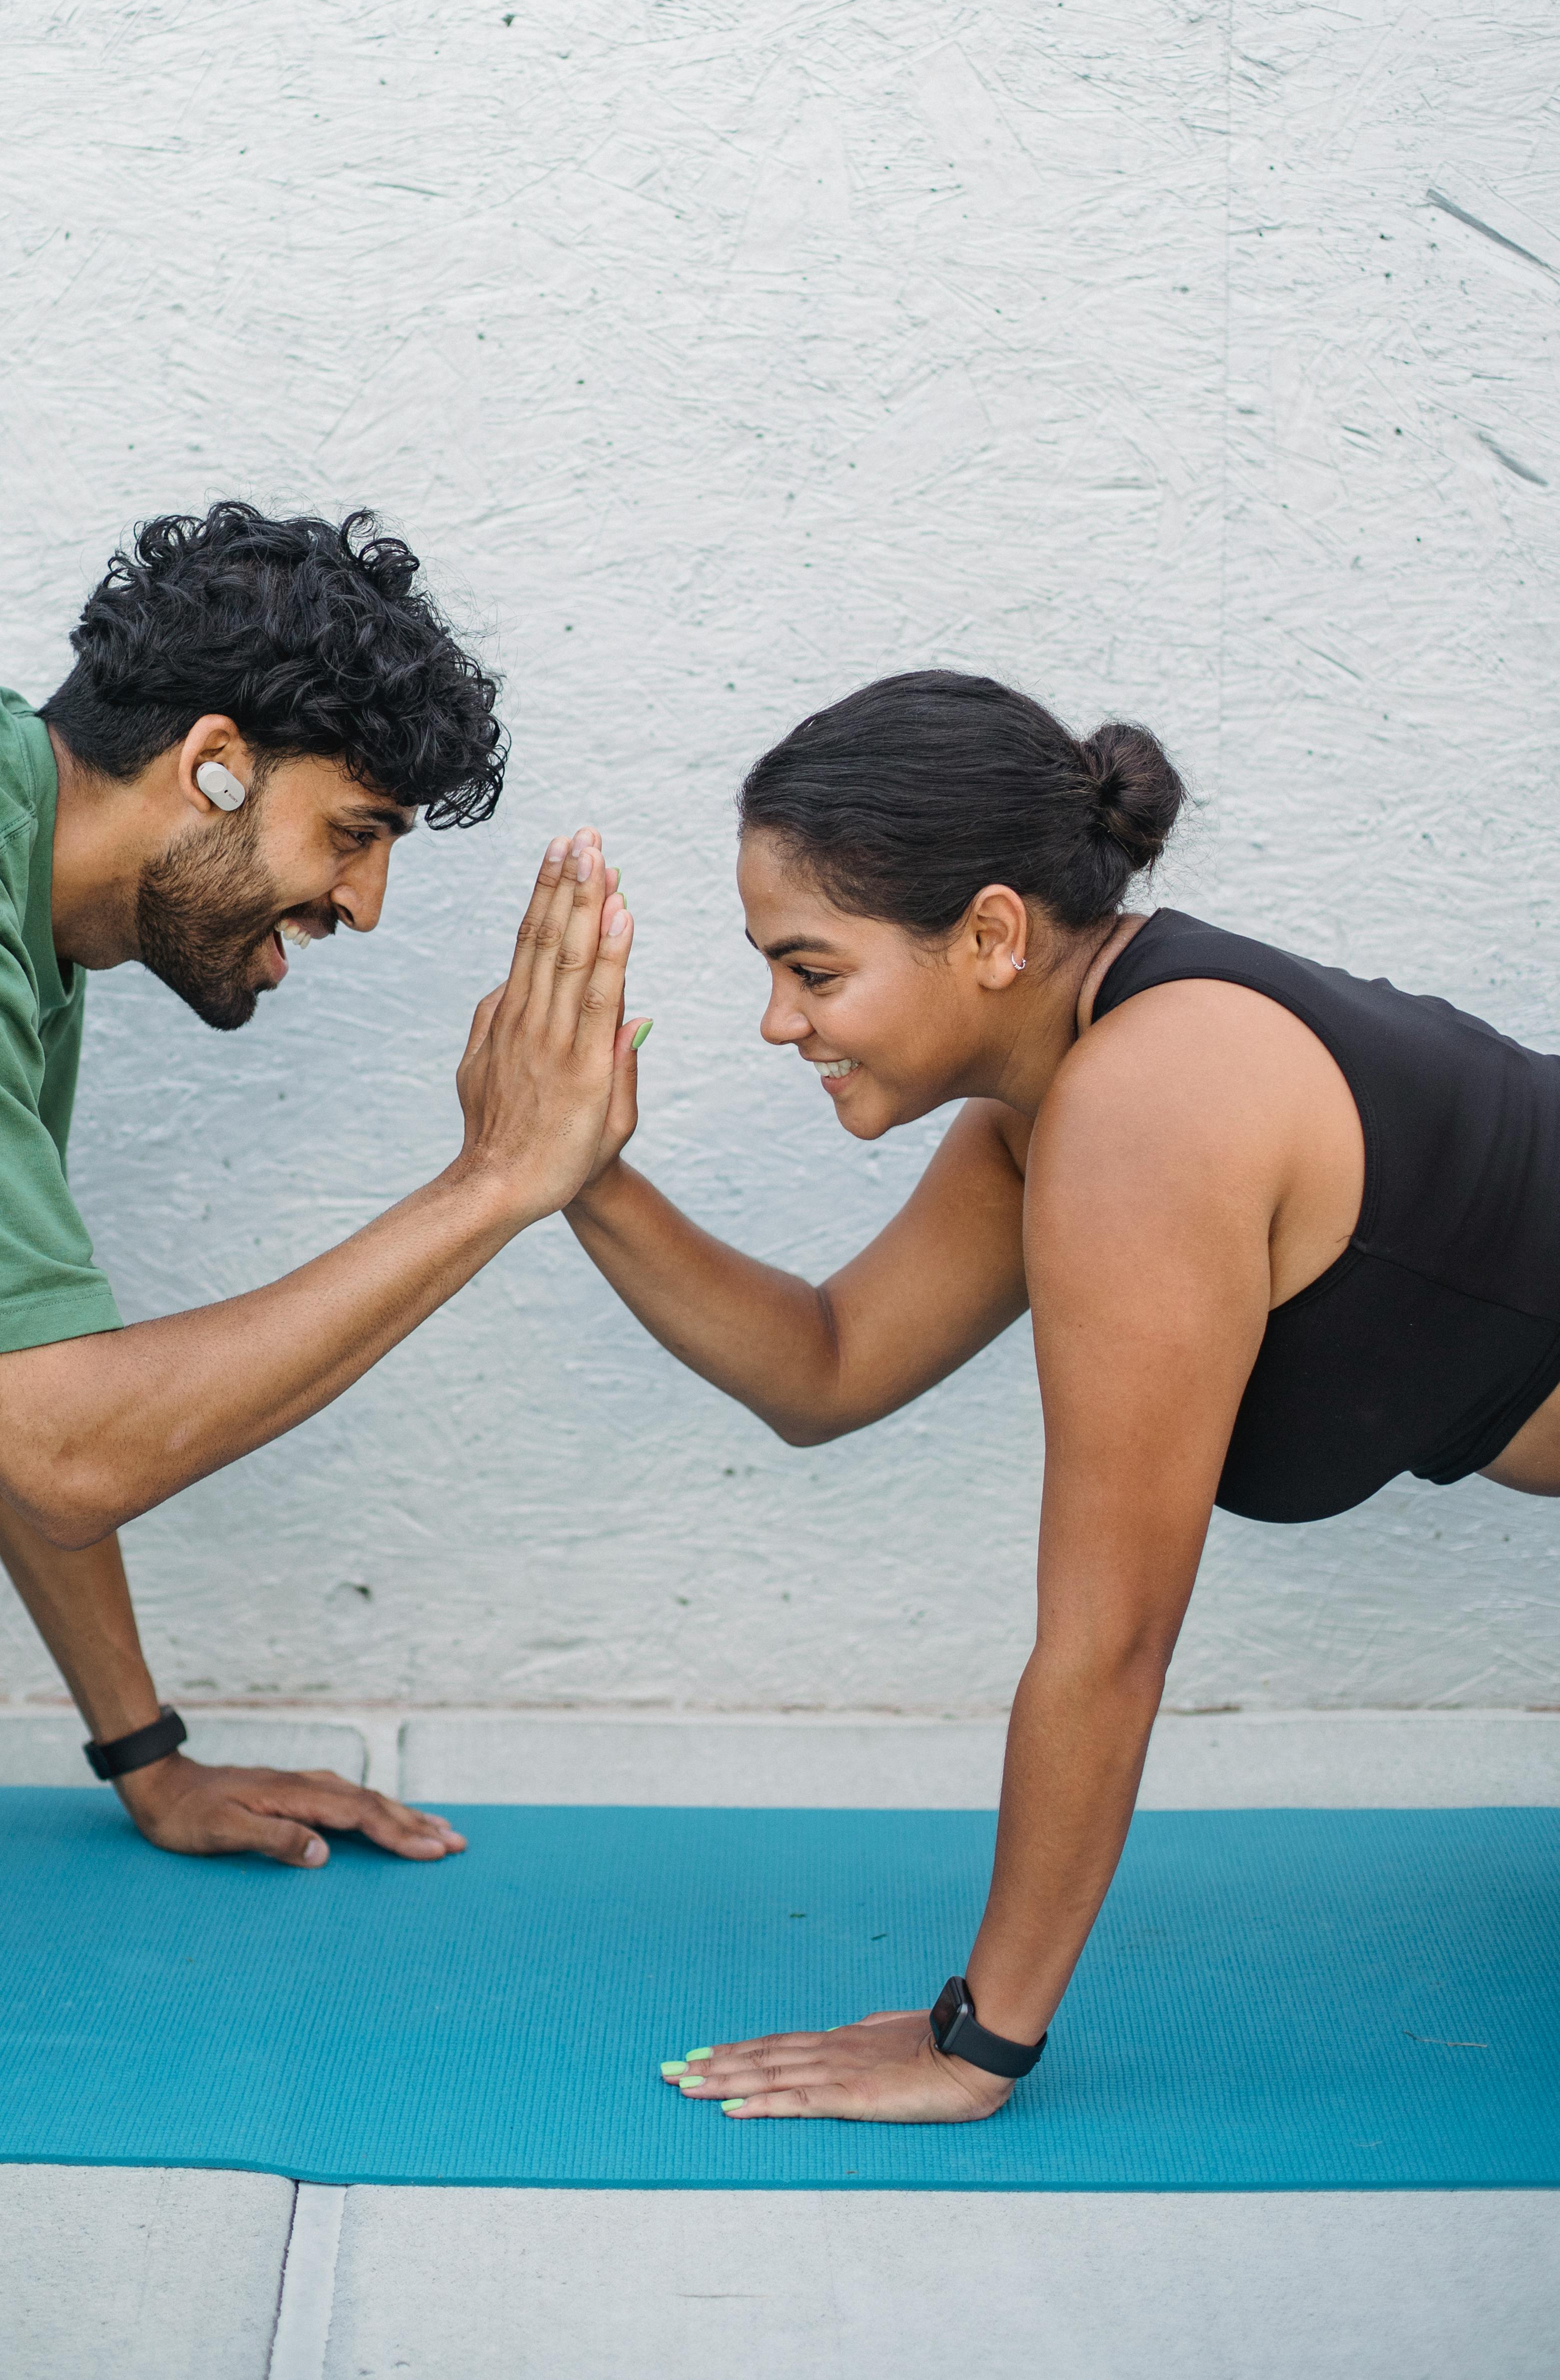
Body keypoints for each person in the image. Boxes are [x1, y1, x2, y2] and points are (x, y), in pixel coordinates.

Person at [563, 668, 1560, 2125]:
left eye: (814, 968)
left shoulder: (1148, 1105)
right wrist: (574, 1174)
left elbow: (1111, 1640)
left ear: (989, 934)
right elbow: (828, 1363)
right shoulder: (1062, 1096)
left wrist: (977, 2043)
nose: (778, 1021)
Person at [0, 502, 640, 1874]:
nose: (366, 903)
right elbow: (70, 1445)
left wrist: (146, 1758)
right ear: (214, 766)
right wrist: (495, 1182)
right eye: (351, 832)